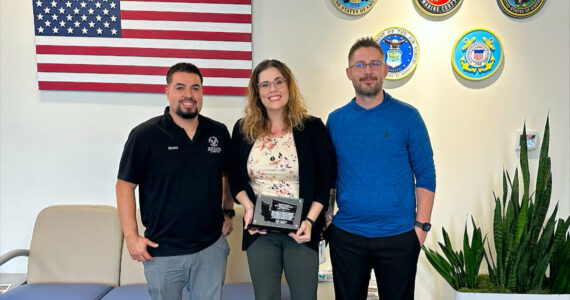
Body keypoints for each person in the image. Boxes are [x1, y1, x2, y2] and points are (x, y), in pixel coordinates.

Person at [325, 37, 436, 300]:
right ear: (349, 73)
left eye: (375, 63)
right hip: (347, 236)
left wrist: (421, 228)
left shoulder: (408, 116)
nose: (368, 71)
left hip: (399, 236)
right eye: (360, 65)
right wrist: (328, 219)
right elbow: (329, 176)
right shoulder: (336, 120)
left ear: (385, 69)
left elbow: (426, 174)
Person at [116, 62, 235, 300]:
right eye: (180, 88)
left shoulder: (218, 132)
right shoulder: (145, 135)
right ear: (167, 91)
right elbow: (124, 186)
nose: (188, 95)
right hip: (163, 251)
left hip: (210, 248)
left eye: (196, 88)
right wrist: (131, 237)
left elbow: (226, 175)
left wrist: (228, 211)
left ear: (202, 93)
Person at [230, 59, 336, 300]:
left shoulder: (312, 127)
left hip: (301, 230)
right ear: (257, 92)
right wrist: (247, 207)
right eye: (264, 84)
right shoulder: (243, 129)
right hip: (260, 232)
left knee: (304, 296)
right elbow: (235, 176)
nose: (273, 90)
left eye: (279, 82)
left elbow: (325, 180)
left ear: (289, 85)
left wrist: (310, 220)